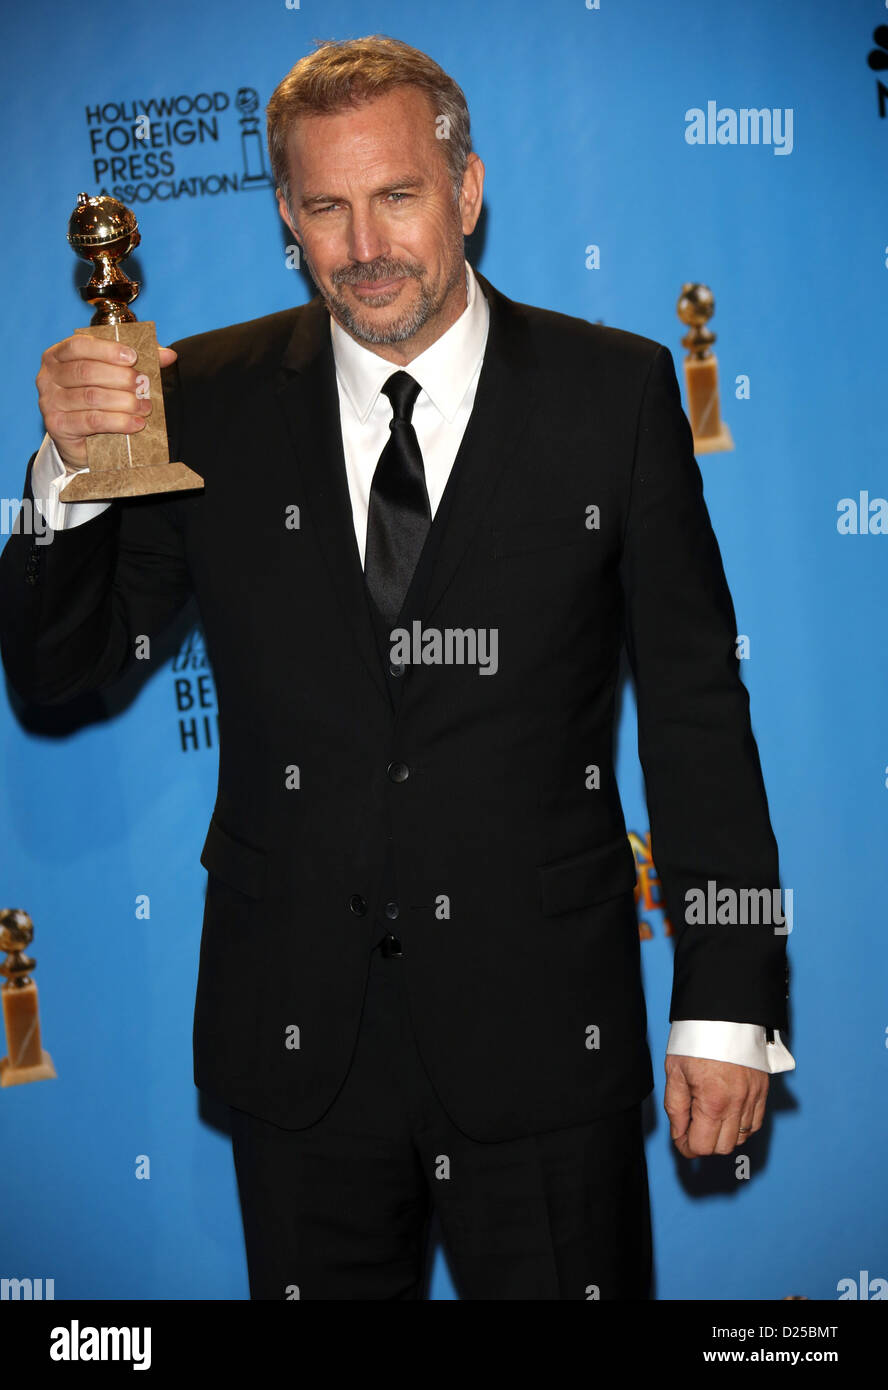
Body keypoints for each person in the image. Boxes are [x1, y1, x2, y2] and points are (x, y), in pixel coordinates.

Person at [0, 35, 794, 1300]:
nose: (364, 243)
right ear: (286, 218)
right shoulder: (202, 399)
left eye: (398, 195)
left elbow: (700, 714)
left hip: (543, 1039)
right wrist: (62, 476)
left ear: (466, 190)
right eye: (326, 206)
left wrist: (725, 996)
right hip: (299, 1053)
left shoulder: (615, 394)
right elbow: (62, 671)